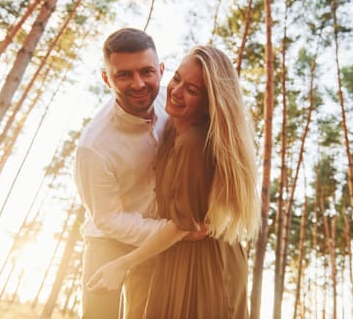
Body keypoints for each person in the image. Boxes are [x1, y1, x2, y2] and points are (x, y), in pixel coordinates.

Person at [87, 45, 261, 319]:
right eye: (177, 79)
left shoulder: (195, 142)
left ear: (209, 101)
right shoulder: (172, 125)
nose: (177, 91)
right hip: (175, 256)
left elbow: (186, 224)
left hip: (204, 264)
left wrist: (122, 264)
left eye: (192, 90)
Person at [75, 27, 204, 319]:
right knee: (98, 314)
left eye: (146, 72)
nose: (138, 84)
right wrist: (176, 232)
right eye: (124, 75)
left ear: (160, 69)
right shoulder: (94, 146)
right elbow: (107, 218)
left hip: (159, 237)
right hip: (108, 238)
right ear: (107, 78)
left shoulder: (172, 103)